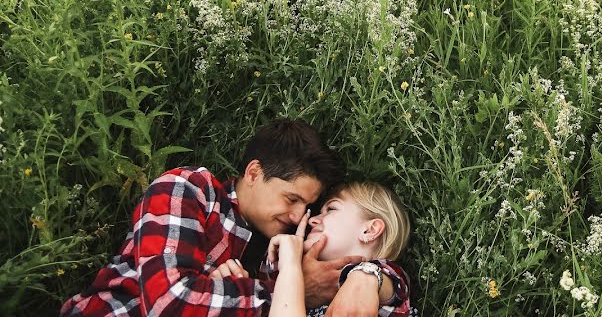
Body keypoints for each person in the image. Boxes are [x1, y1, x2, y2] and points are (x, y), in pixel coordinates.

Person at [60, 119, 393, 316]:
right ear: (253, 172)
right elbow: (170, 304)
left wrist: (370, 275)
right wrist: (293, 292)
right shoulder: (190, 189)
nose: (296, 216)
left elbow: (375, 264)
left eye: (306, 206)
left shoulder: (283, 249)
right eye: (291, 198)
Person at [210, 182, 417, 317]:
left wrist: (366, 275)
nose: (313, 220)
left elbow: (390, 280)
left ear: (370, 230)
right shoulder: (287, 277)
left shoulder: (386, 289)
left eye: (332, 209)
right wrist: (237, 289)